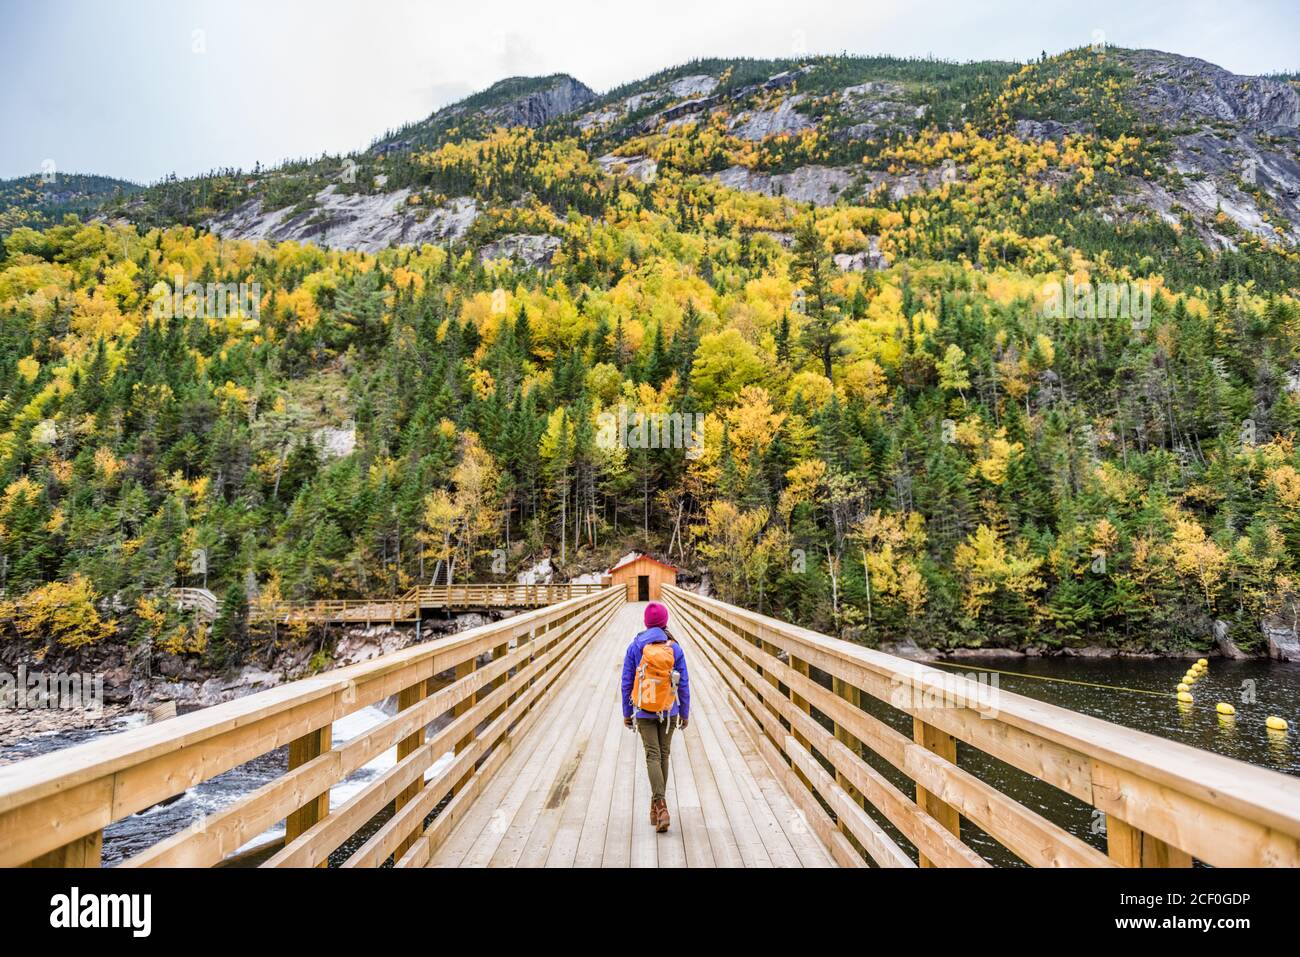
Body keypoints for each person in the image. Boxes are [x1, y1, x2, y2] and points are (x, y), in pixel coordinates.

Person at [621, 601, 690, 833]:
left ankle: (659, 806)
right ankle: (658, 806)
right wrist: (684, 712)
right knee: (663, 754)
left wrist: (626, 712)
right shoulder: (675, 648)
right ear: (664, 622)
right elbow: (684, 683)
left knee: (652, 754)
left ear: (646, 622)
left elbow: (627, 681)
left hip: (643, 708)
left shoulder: (635, 646)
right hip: (668, 709)